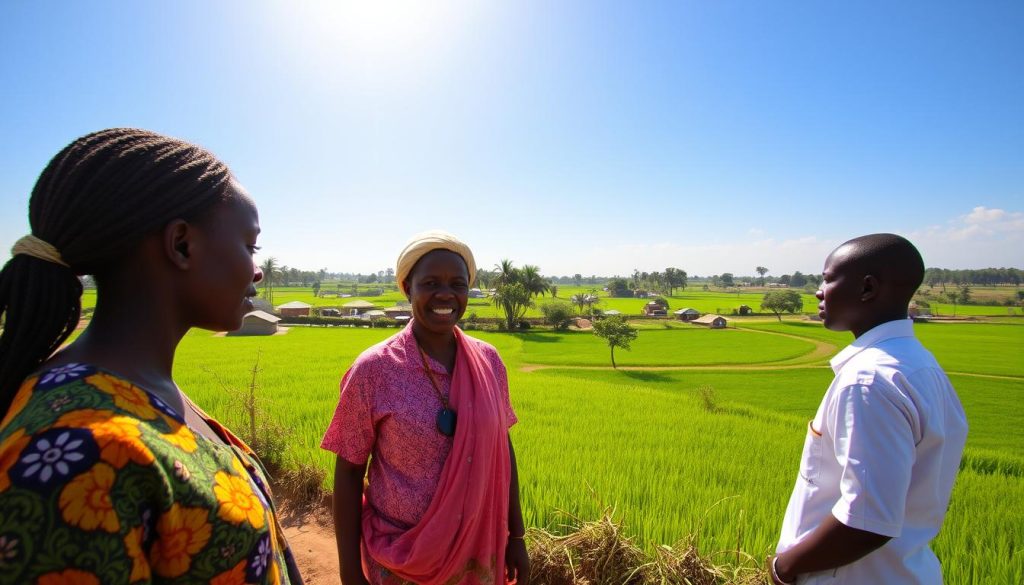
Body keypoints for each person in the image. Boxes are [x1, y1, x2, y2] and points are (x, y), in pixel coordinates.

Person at [0, 128, 303, 584]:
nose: (256, 268)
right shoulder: (76, 454)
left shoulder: (139, 389)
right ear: (181, 244)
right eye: (249, 245)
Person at [321, 230, 529, 585]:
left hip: (477, 553)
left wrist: (517, 537)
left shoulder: (489, 361)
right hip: (400, 558)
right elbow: (349, 472)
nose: (445, 294)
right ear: (407, 288)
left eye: (457, 284)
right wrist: (350, 572)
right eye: (431, 282)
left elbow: (502, 451)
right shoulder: (375, 369)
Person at [770, 234, 968, 585]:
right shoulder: (919, 365)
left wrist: (783, 568)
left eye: (828, 279)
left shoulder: (868, 381)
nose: (818, 290)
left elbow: (866, 521)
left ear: (867, 288)